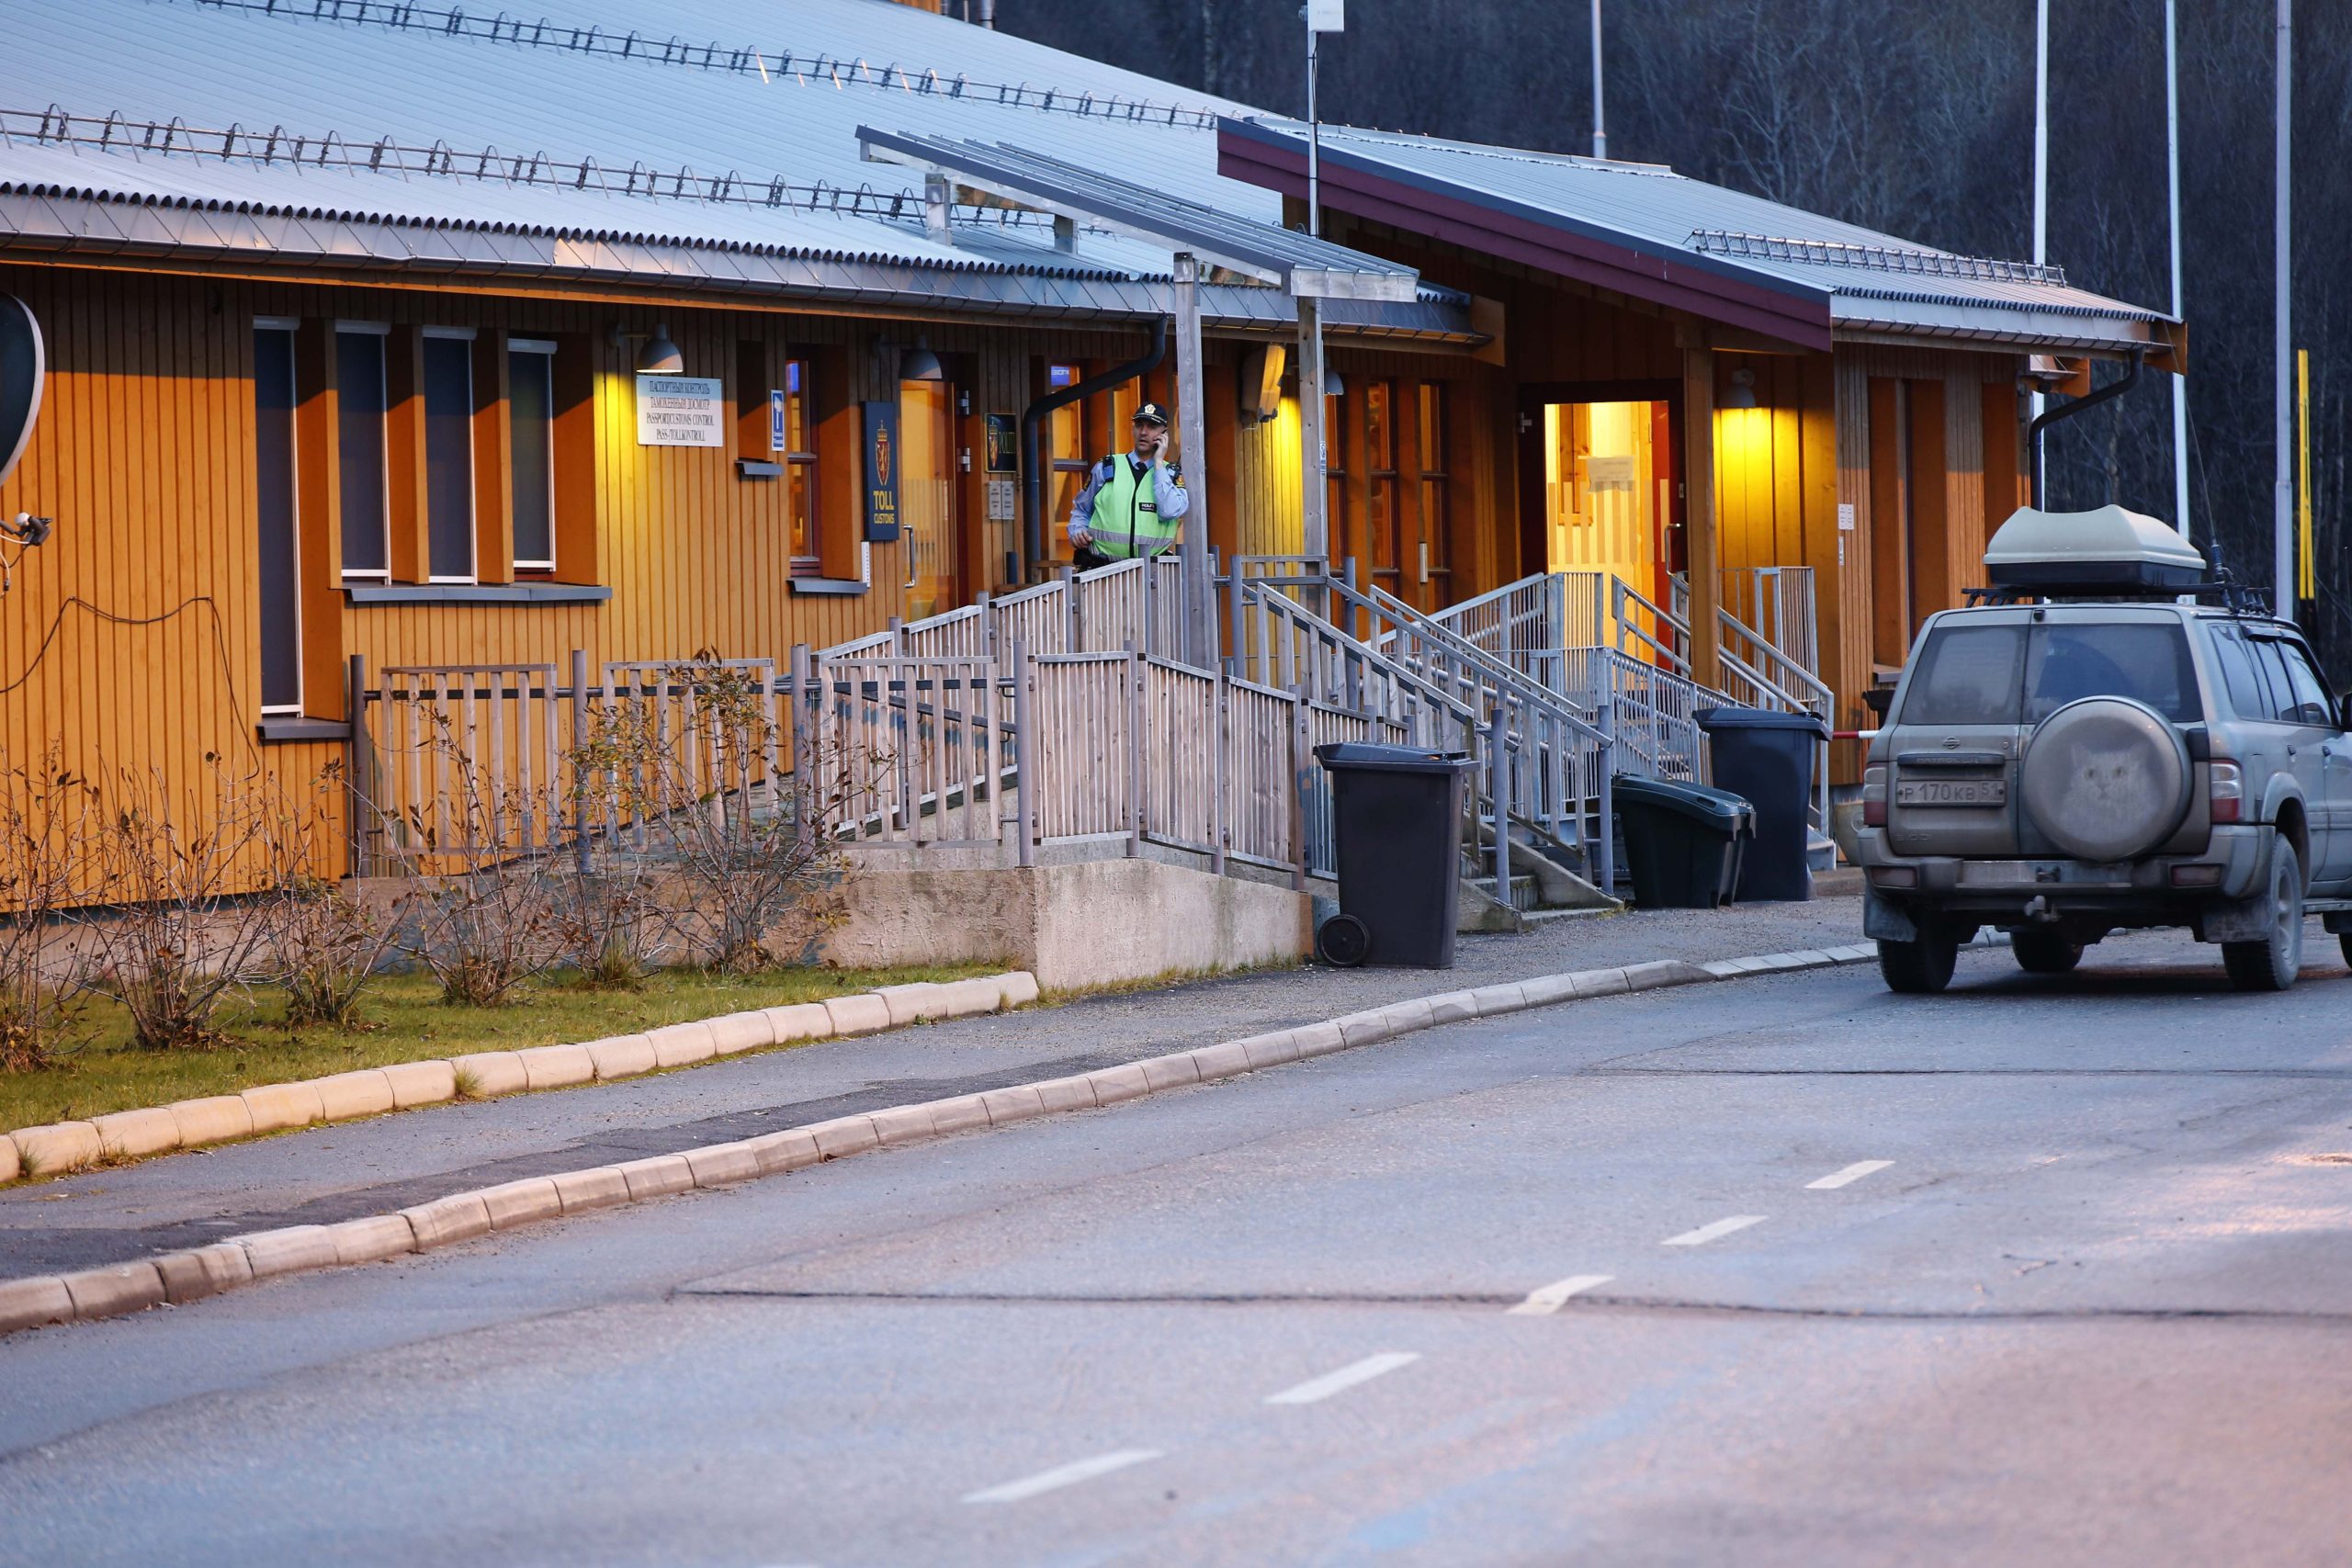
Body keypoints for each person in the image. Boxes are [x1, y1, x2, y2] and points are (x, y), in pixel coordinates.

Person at [1069, 400, 1189, 570]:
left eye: (1152, 427)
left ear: (1164, 434)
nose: (1144, 432)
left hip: (1151, 576)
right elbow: (1081, 509)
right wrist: (1077, 530)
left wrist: (1159, 463)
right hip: (1101, 572)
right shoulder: (1107, 467)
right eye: (1139, 425)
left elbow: (1169, 511)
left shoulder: (1171, 475)